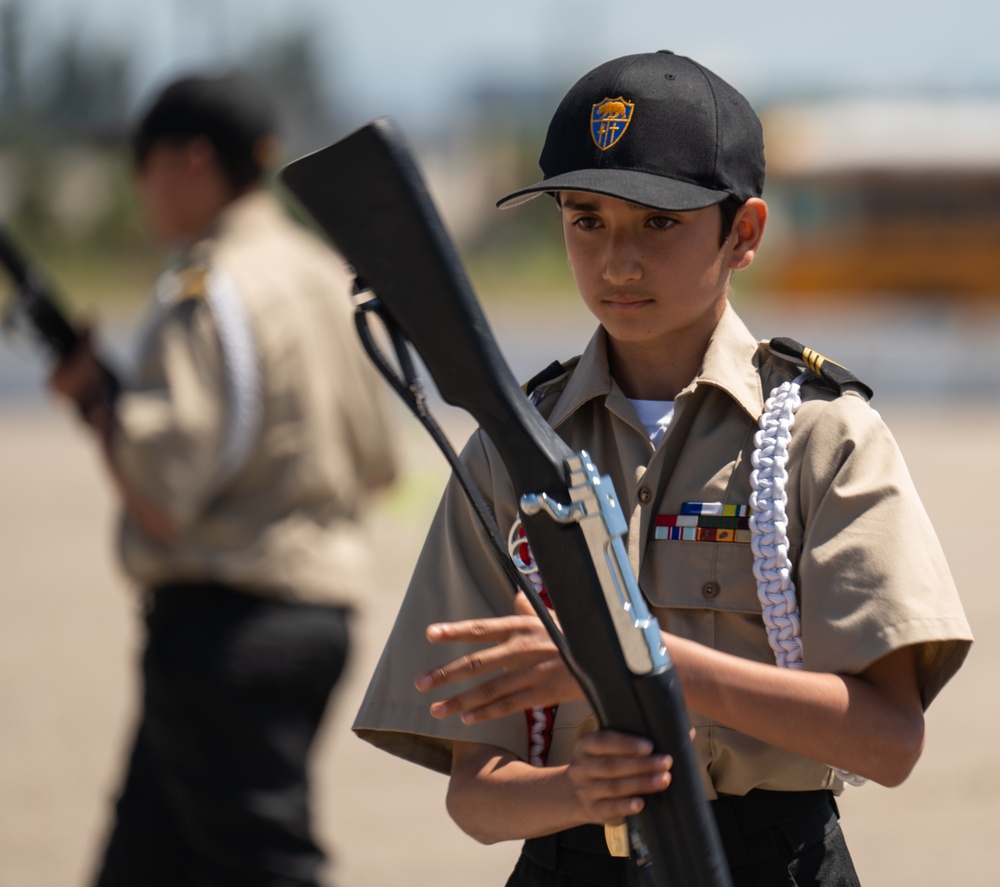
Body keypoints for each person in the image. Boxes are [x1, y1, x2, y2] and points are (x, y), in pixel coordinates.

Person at [351, 50, 973, 886]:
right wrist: (576, 787)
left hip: (765, 861)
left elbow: (888, 741)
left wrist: (639, 660)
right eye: (586, 219)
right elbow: (477, 796)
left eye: (660, 222)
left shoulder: (824, 438)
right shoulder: (510, 446)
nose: (617, 261)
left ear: (743, 232)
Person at [49, 72, 398, 886]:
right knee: (147, 859)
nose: (138, 186)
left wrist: (99, 403)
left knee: (263, 863)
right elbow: (380, 465)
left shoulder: (207, 286)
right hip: (319, 615)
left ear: (192, 162)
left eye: (143, 162)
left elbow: (162, 492)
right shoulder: (322, 269)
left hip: (227, 626)